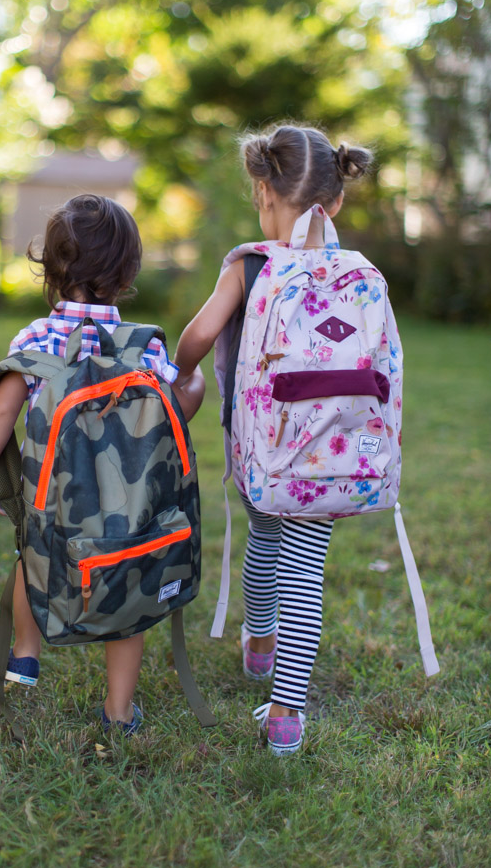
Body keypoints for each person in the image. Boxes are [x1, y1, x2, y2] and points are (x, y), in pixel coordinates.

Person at [0, 193, 203, 736]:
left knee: (34, 563)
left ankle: (23, 659)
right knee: (129, 595)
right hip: (131, 507)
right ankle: (118, 713)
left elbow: (4, 406)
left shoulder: (35, 339)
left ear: (50, 270)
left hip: (52, 498)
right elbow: (176, 415)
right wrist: (193, 387)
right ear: (127, 275)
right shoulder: (143, 350)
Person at [173, 124, 373, 755]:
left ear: (262, 190)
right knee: (306, 571)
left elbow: (200, 335)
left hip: (263, 449)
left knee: (265, 535)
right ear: (335, 200)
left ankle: (260, 645)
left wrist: (183, 372)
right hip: (333, 452)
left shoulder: (252, 263)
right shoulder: (353, 272)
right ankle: (287, 715)